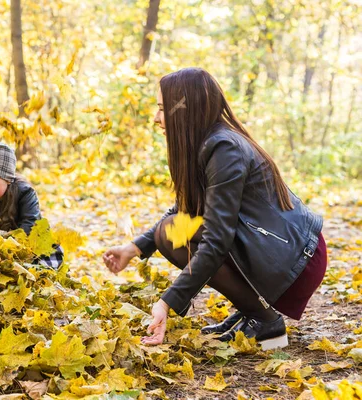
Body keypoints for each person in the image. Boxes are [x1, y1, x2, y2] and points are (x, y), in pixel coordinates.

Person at [103, 68, 326, 351]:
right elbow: (184, 212)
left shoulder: (224, 149)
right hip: (277, 251)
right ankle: (252, 311)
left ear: (185, 107)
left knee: (173, 231)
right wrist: (133, 249)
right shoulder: (208, 144)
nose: (157, 118)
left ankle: (265, 321)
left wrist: (167, 301)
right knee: (171, 229)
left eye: (162, 108)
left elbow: (218, 239)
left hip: (299, 260)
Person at [0, 142, 63, 269]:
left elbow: (30, 223)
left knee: (36, 269)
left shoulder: (24, 192)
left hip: (30, 245)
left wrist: (9, 246)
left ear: (7, 179)